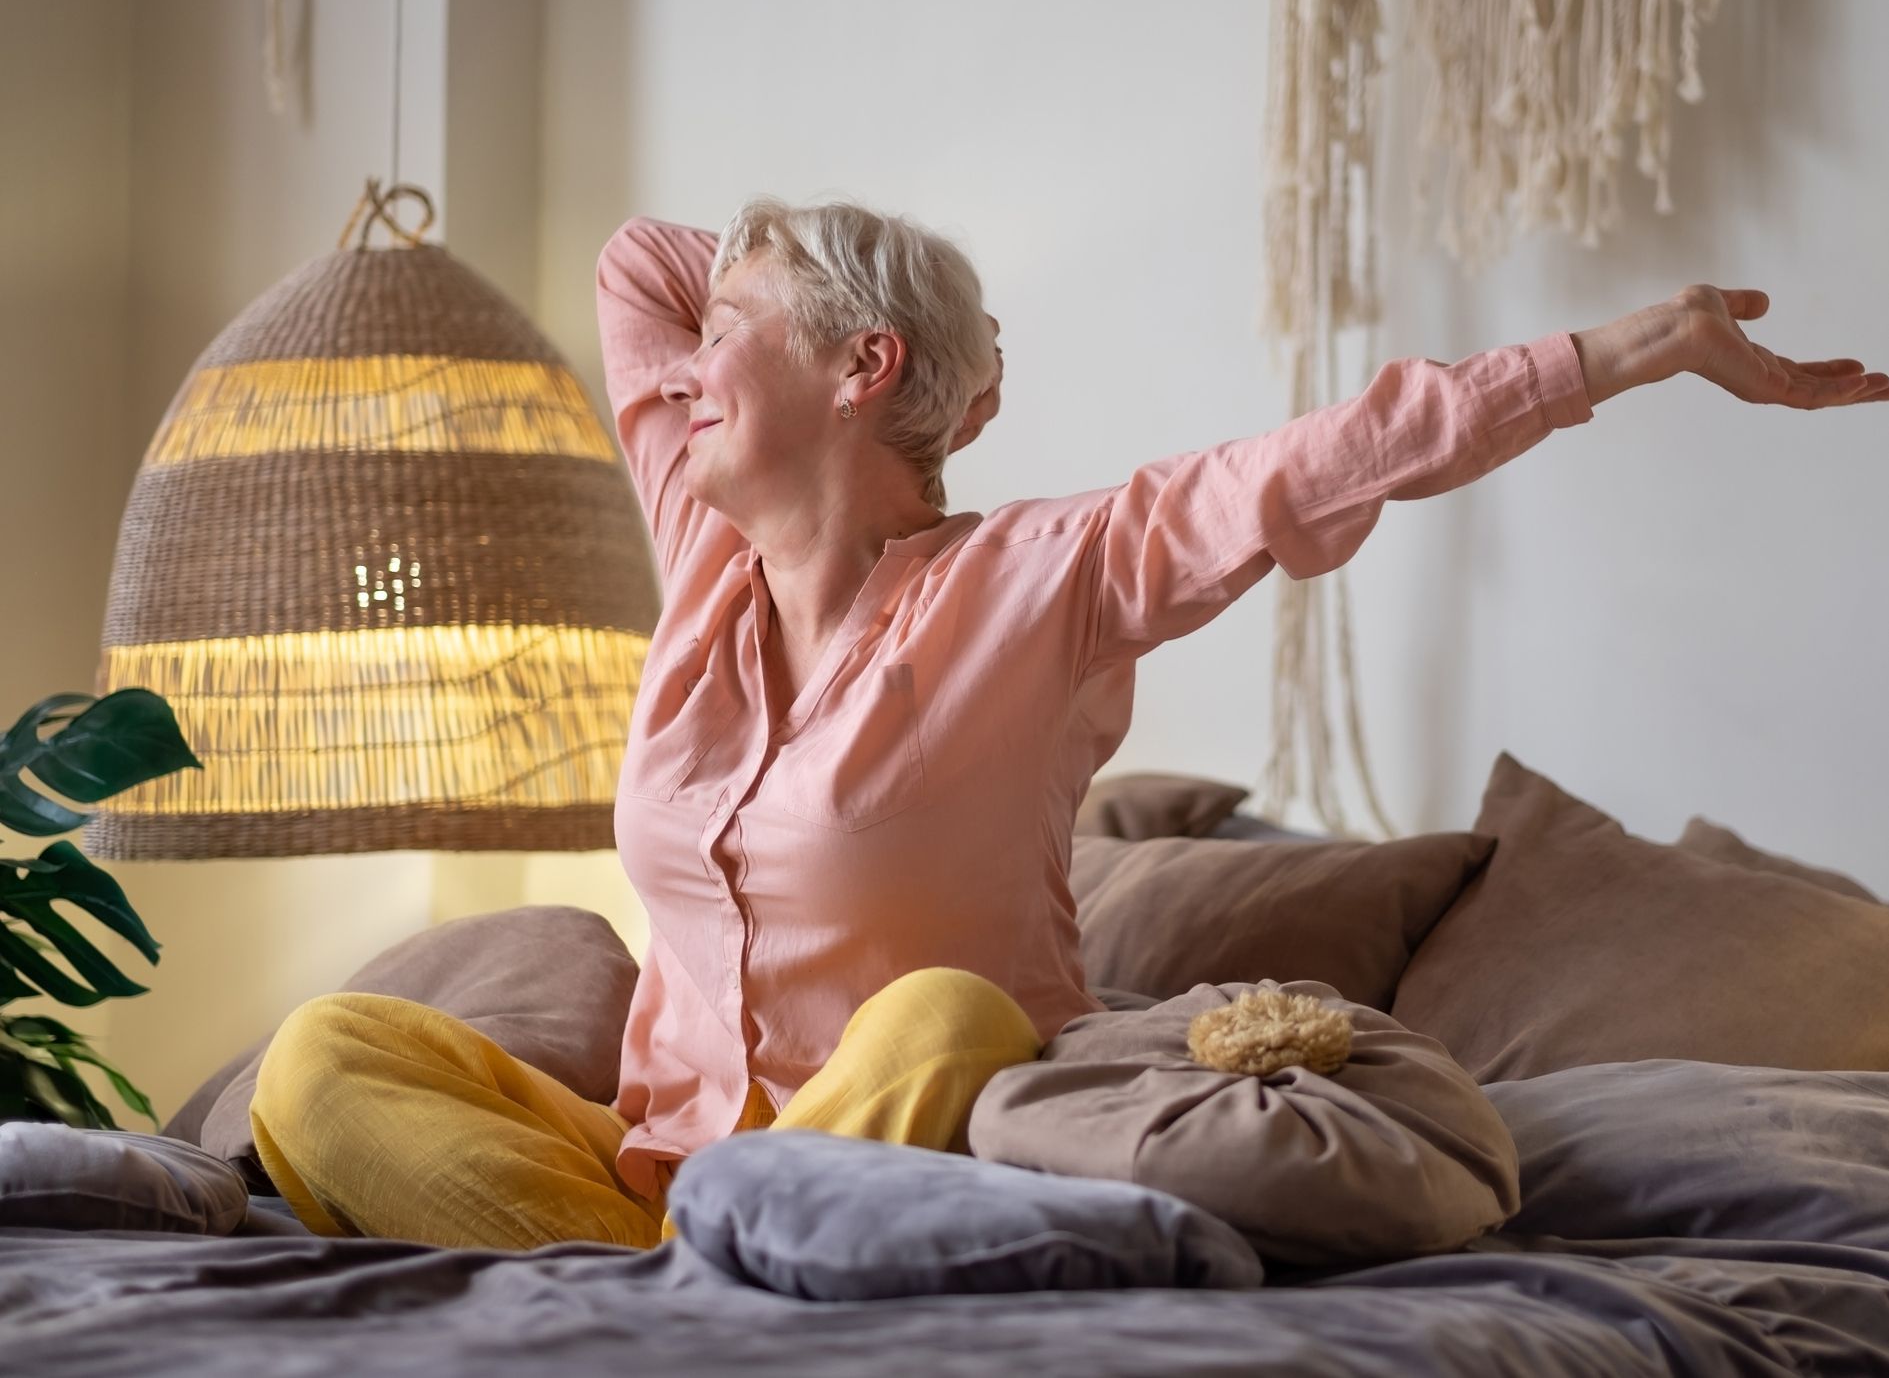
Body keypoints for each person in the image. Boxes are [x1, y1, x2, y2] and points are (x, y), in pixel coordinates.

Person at [250, 196, 1887, 1251]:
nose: (679, 379)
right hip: (646, 1170)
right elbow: (638, 261)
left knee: (944, 1017)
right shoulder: (702, 549)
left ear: (854, 363)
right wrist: (793, 295)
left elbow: (1336, 454)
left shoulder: (1045, 577)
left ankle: (726, 1245)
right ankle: (682, 1266)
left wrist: (1631, 347)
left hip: (913, 1131)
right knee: (327, 1053)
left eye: (725, 343)